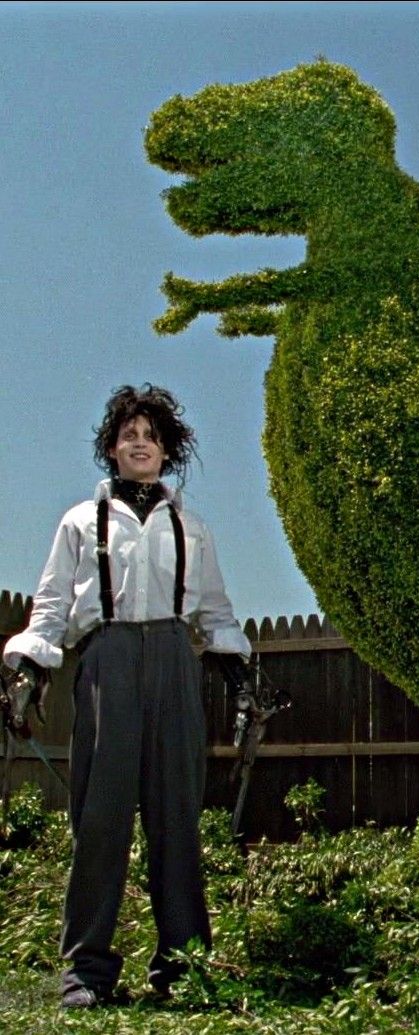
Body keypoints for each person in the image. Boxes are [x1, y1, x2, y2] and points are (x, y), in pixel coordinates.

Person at [2, 384, 251, 1008]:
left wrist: (242, 680)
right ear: (112, 448)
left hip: (173, 660)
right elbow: (54, 604)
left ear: (167, 450)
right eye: (128, 434)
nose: (140, 443)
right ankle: (85, 973)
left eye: (152, 435)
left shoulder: (191, 527)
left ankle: (184, 967)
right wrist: (28, 669)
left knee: (177, 819)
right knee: (100, 817)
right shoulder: (80, 523)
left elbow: (216, 613)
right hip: (106, 660)